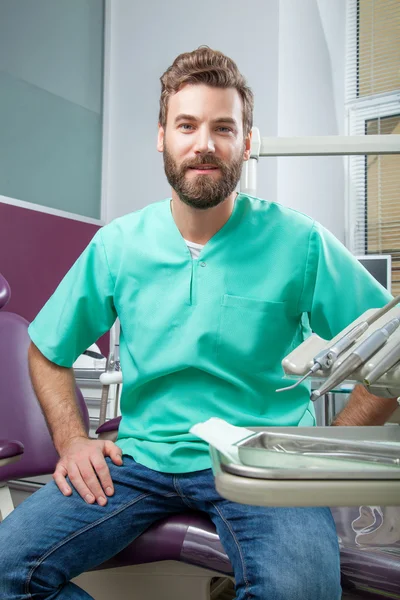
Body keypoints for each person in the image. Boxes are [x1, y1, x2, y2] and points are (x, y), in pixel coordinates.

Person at [0, 47, 398, 600]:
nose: (204, 143)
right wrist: (73, 440)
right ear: (161, 136)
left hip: (264, 466)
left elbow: (391, 347)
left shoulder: (299, 241)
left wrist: (325, 452)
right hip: (139, 463)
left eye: (223, 127)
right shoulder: (119, 244)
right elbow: (47, 350)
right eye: (186, 125)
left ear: (247, 142)